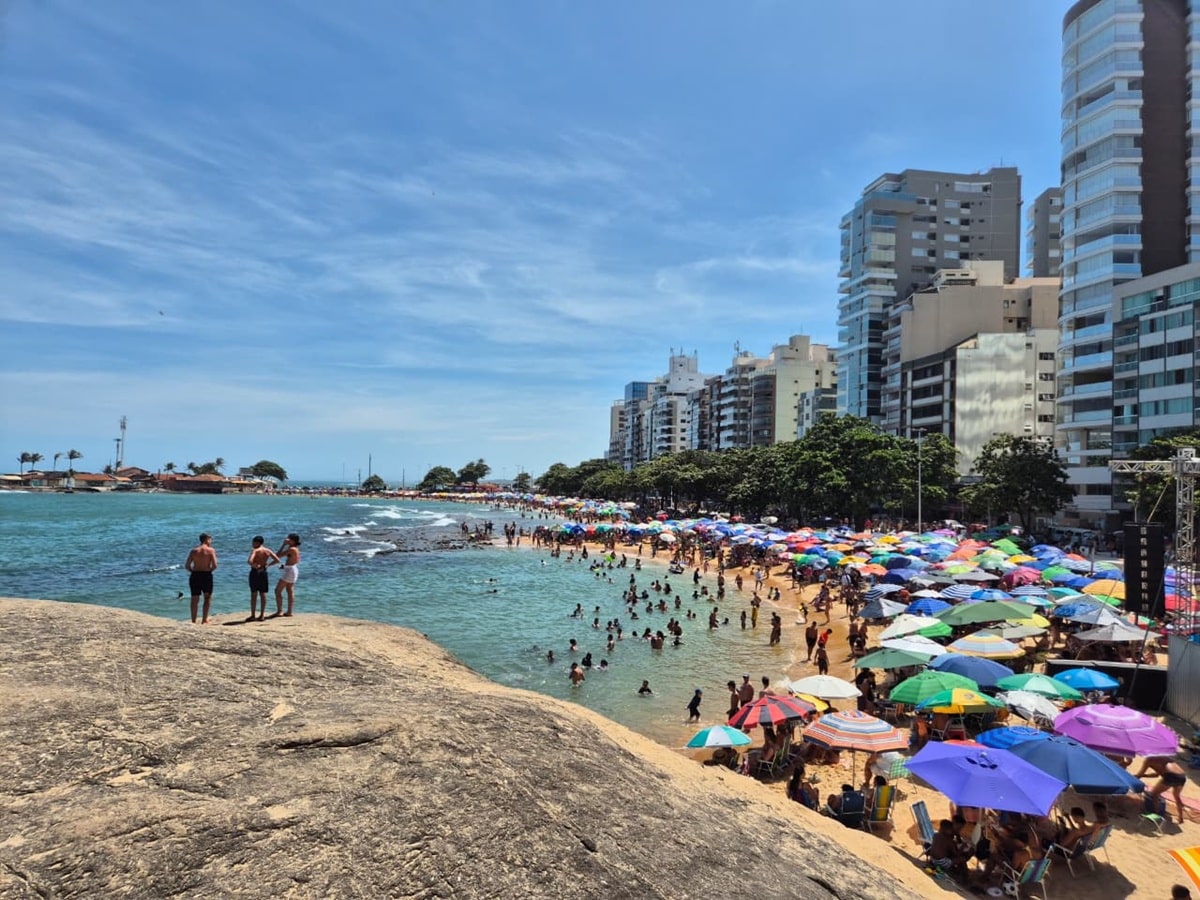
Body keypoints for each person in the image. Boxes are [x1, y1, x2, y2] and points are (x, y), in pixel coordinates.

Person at [1135, 756, 1188, 821]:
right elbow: (1156, 775)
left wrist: (1133, 777)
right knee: (1176, 796)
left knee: (1155, 794)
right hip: (1182, 776)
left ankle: (1156, 814)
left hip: (1170, 775)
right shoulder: (1166, 758)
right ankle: (1180, 817)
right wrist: (1144, 775)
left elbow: (1139, 775)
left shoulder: (1148, 760)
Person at [185, 532, 218, 625]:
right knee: (207, 598)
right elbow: (215, 565)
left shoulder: (193, 551)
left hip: (195, 575)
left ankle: (193, 620)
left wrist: (193, 571)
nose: (211, 541)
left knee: (194, 598)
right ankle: (204, 620)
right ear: (207, 539)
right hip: (206, 575)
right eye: (210, 539)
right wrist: (209, 570)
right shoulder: (211, 550)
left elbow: (187, 566)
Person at [246, 535, 280, 622]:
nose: (252, 544)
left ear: (257, 543)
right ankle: (262, 615)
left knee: (254, 594)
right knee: (263, 593)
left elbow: (249, 561)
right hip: (263, 572)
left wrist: (255, 566)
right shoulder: (267, 550)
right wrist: (268, 564)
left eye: (253, 542)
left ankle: (253, 615)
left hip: (255, 572)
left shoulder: (255, 550)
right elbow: (277, 560)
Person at [273, 533, 301, 617]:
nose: (287, 540)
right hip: (292, 569)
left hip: (290, 571)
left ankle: (280, 611)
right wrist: (283, 567)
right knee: (289, 590)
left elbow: (277, 556)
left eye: (289, 539)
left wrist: (283, 545)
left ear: (293, 541)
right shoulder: (294, 548)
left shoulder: (292, 549)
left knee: (277, 590)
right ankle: (289, 611)